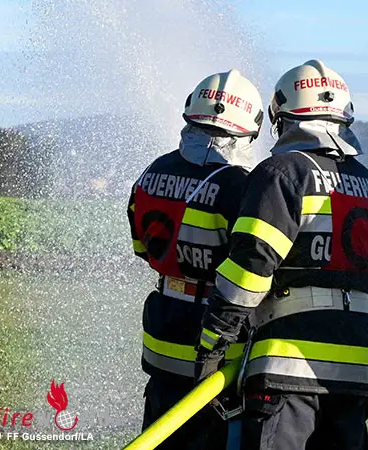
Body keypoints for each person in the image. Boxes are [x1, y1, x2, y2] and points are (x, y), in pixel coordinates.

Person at [196, 59, 368, 450]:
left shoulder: (283, 173)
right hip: (356, 367)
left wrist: (212, 343)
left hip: (286, 364)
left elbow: (250, 269)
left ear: (283, 118)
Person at [127, 69, 264, 449]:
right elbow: (253, 264)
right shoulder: (242, 185)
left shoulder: (153, 171)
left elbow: (142, 247)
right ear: (249, 130)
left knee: (161, 431)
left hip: (162, 324)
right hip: (216, 335)